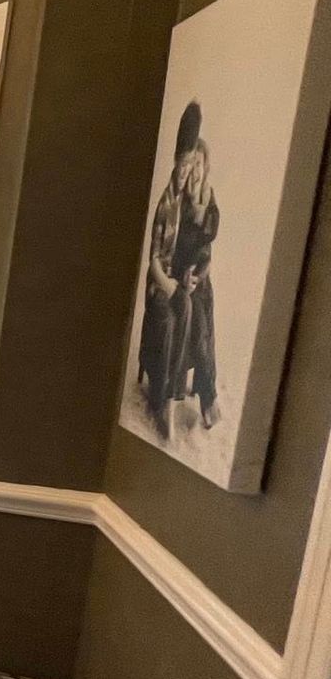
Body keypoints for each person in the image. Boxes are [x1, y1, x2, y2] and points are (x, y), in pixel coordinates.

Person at [138, 101, 221, 437]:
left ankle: (203, 396)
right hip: (170, 282)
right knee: (185, 311)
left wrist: (194, 275)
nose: (192, 172)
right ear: (179, 166)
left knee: (200, 320)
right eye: (187, 165)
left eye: (197, 164)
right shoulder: (172, 203)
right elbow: (156, 258)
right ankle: (167, 398)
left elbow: (205, 250)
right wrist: (174, 283)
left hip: (194, 280)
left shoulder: (205, 201)